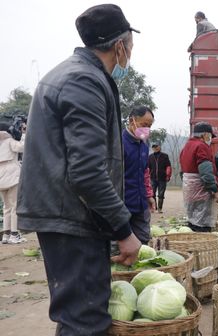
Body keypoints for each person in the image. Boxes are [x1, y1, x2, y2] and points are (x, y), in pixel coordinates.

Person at [17, 5, 142, 334]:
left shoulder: (71, 74)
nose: (131, 52)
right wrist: (123, 230)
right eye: (131, 44)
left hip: (67, 213)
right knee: (85, 320)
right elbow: (87, 172)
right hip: (72, 217)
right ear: (119, 46)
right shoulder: (84, 81)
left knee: (77, 315)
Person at [180, 122, 218, 232]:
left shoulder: (187, 146)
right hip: (200, 189)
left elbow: (183, 170)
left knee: (193, 217)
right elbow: (206, 172)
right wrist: (215, 189)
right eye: (210, 136)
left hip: (189, 188)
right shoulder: (201, 146)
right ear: (205, 135)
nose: (211, 139)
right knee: (202, 221)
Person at [123, 106, 156, 244]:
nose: (146, 129)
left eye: (149, 126)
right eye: (144, 125)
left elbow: (145, 171)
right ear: (132, 121)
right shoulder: (119, 142)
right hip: (123, 202)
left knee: (143, 239)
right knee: (121, 240)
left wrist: (149, 195)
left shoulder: (144, 144)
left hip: (141, 202)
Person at [0, 122, 26, 244]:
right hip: (12, 177)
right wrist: (24, 134)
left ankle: (6, 235)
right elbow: (22, 147)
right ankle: (14, 234)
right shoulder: (8, 141)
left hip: (1, 179)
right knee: (15, 206)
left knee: (6, 207)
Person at [148, 143, 172, 213]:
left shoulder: (165, 156)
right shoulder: (150, 157)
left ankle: (160, 208)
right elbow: (148, 168)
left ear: (159, 147)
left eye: (156, 147)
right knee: (152, 193)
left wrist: (168, 175)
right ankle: (154, 207)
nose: (155, 148)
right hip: (153, 178)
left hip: (162, 178)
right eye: (154, 147)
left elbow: (168, 166)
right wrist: (147, 177)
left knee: (161, 194)